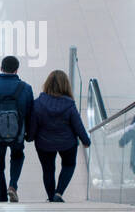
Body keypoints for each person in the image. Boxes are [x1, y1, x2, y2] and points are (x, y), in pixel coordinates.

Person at [27, 69, 90, 201]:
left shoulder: (38, 103)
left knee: (48, 170)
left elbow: (33, 124)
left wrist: (30, 137)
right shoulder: (69, 104)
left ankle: (51, 197)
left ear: (47, 84)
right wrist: (86, 140)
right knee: (68, 165)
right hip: (67, 143)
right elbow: (78, 125)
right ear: (66, 85)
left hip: (44, 144)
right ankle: (59, 193)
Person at [0, 55, 35, 203]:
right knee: (17, 156)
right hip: (18, 134)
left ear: (1, 68)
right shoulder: (26, 88)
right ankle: (13, 186)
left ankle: (1, 199)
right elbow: (31, 114)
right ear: (17, 70)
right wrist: (28, 132)